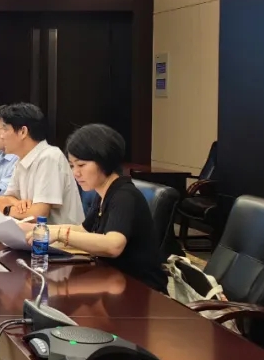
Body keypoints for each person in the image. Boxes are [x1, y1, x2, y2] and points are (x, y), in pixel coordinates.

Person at [28, 124, 168, 293]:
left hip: (140, 290)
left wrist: (59, 234)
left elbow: (113, 245)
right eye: (72, 166)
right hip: (110, 281)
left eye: (81, 165)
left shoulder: (124, 195)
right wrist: (38, 228)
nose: (75, 173)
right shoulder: (103, 192)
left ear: (104, 161)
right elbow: (84, 229)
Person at [0, 102, 84, 225]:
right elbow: (5, 198)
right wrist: (18, 203)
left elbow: (39, 214)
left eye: (5, 129)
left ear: (23, 131)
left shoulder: (49, 157)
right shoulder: (21, 159)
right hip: (32, 233)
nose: (1, 136)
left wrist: (6, 210)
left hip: (59, 236)